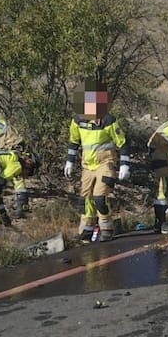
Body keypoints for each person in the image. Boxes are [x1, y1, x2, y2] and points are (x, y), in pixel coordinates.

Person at [62, 81, 130, 243]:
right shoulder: (78, 121)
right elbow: (74, 141)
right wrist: (69, 161)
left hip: (105, 164)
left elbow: (123, 143)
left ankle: (106, 226)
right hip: (87, 165)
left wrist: (125, 165)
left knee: (99, 197)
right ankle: (87, 229)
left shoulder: (108, 121)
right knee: (85, 198)